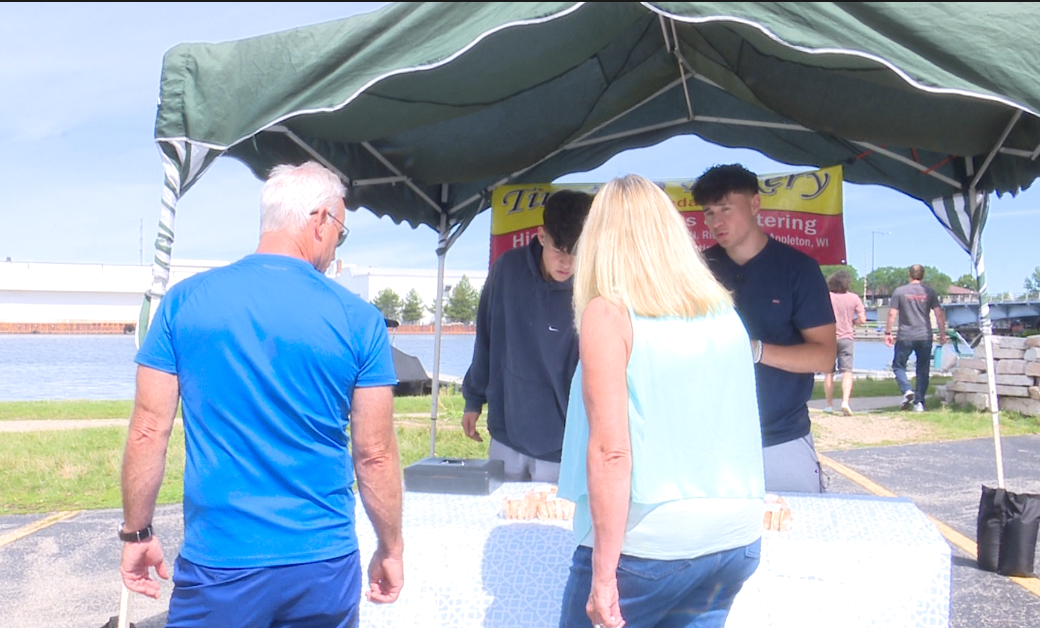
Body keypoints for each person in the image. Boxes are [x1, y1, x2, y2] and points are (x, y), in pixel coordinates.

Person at [120, 161, 404, 627]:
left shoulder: (184, 303)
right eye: (342, 233)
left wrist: (137, 533)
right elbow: (374, 453)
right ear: (320, 221)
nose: (336, 246)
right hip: (322, 563)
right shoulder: (360, 320)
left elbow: (149, 430)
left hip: (222, 563)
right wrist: (390, 548)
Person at [557, 174, 764, 628]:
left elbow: (611, 451)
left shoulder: (609, 313)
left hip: (650, 542)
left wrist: (605, 575)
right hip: (735, 532)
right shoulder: (722, 312)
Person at [694, 164, 836, 494]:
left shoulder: (798, 269)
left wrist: (755, 350)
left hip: (781, 438)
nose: (717, 222)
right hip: (709, 440)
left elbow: (824, 357)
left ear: (755, 205)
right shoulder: (697, 271)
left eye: (726, 209)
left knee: (794, 537)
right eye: (709, 213)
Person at [461, 189, 593, 482]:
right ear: (541, 235)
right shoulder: (507, 269)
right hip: (508, 430)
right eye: (559, 250)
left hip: (566, 440)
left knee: (554, 523)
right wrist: (473, 399)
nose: (567, 263)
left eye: (576, 252)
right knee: (502, 519)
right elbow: (485, 336)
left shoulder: (594, 284)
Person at [885, 264, 947, 412]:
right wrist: (942, 333)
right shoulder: (930, 292)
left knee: (899, 366)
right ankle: (919, 403)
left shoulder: (899, 292)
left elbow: (892, 314)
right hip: (925, 335)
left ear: (909, 274)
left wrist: (888, 333)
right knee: (923, 369)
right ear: (923, 275)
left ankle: (907, 390)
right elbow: (939, 313)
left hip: (905, 335)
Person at [823, 270, 867, 415]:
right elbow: (862, 319)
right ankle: (845, 402)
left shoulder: (826, 297)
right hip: (847, 337)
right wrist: (851, 321)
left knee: (829, 373)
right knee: (847, 371)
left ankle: (829, 405)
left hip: (829, 338)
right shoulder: (854, 298)